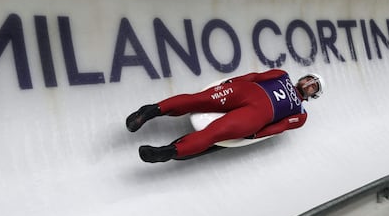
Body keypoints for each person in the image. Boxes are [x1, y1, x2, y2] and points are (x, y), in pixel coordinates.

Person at [126, 69, 324, 162]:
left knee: (214, 133)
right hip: (244, 91)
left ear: (313, 95)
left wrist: (256, 135)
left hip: (255, 116)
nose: (308, 84)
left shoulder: (300, 115)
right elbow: (255, 77)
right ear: (303, 77)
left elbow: (278, 128)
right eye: (309, 79)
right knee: (199, 100)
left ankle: (166, 152)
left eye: (313, 86)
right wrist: (232, 82)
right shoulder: (282, 75)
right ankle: (150, 111)